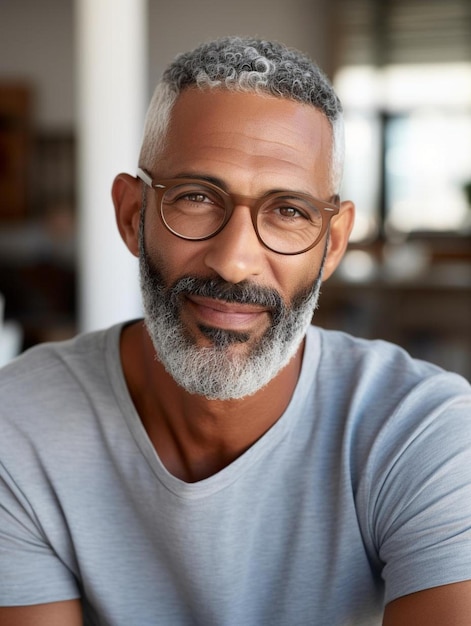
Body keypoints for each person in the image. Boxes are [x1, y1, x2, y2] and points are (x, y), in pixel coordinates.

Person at [0, 36, 470, 626]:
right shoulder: (16, 426)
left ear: (333, 244)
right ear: (132, 216)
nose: (235, 260)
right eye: (197, 198)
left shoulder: (422, 432)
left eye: (289, 211)